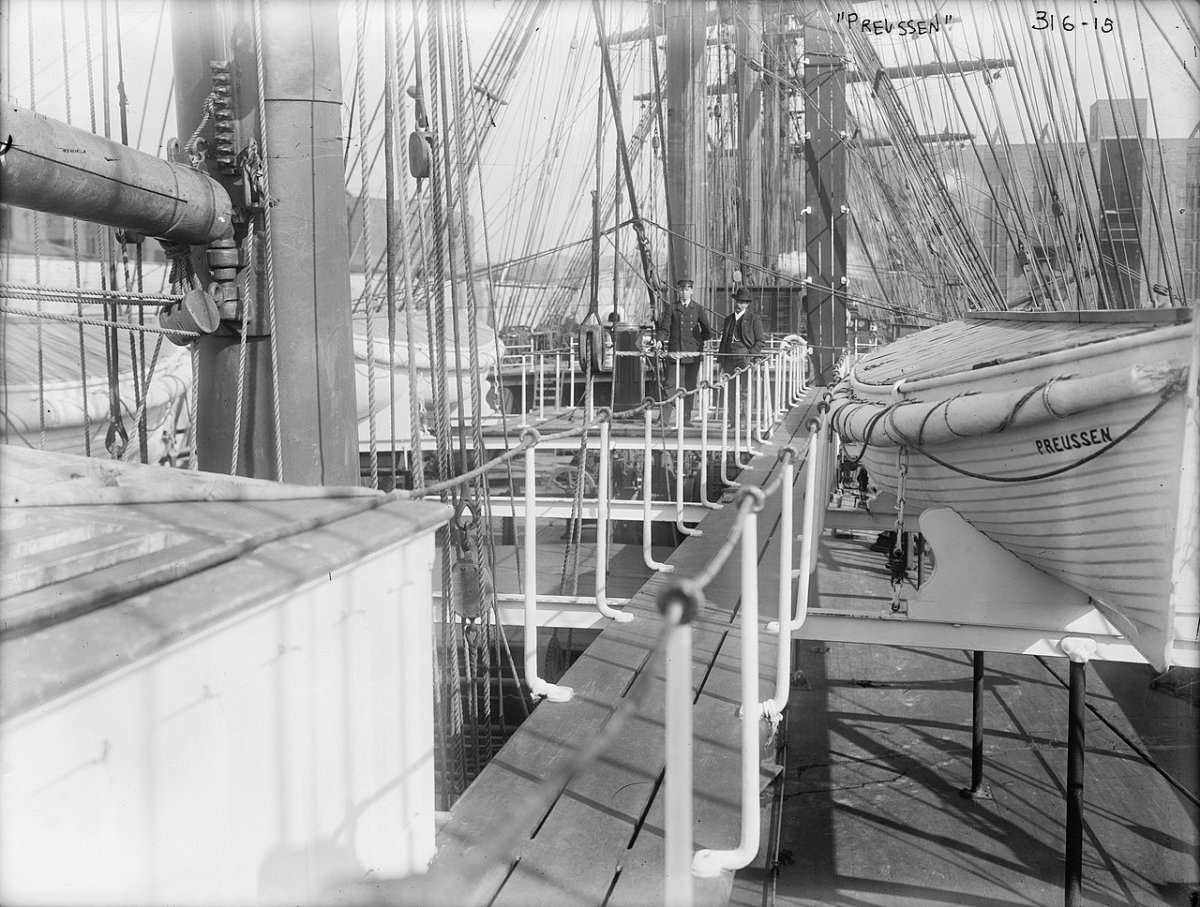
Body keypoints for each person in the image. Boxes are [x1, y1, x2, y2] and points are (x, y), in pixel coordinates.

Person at [655, 276, 713, 425]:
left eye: (687, 290)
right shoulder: (671, 308)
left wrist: (697, 341)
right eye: (682, 290)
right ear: (678, 291)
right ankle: (663, 419)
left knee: (689, 386)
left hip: (692, 354)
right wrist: (660, 340)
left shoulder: (697, 308)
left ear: (691, 291)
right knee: (669, 385)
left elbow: (708, 330)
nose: (684, 293)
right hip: (675, 352)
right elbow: (664, 327)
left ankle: (685, 419)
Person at [717, 286, 765, 427]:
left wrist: (749, 355)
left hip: (745, 360)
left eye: (743, 302)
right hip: (729, 359)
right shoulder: (728, 319)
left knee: (745, 392)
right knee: (730, 392)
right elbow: (723, 341)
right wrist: (721, 362)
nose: (740, 305)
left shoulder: (754, 319)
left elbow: (760, 341)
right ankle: (732, 421)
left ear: (747, 304)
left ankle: (744, 421)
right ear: (735, 301)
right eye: (738, 301)